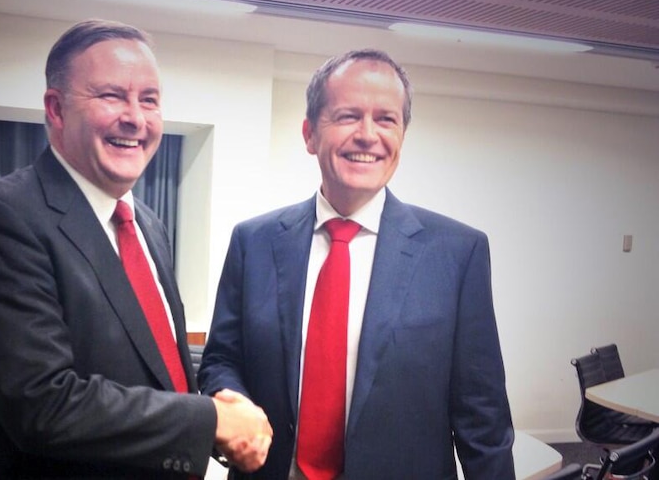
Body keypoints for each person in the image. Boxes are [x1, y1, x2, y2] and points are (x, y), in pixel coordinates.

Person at [0, 19, 271, 479]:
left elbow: (157, 374)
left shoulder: (148, 227)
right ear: (56, 109)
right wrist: (211, 422)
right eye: (112, 96)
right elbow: (44, 404)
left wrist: (212, 408)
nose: (135, 118)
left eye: (150, 100)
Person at [197, 48, 515, 479]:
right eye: (348, 116)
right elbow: (220, 359)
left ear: (402, 136)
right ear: (309, 134)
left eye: (386, 119)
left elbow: (484, 418)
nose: (368, 135)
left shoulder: (457, 254)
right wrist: (232, 400)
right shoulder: (254, 242)